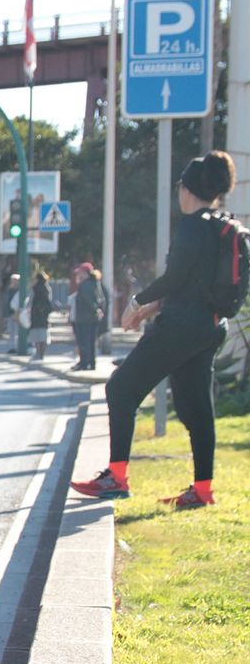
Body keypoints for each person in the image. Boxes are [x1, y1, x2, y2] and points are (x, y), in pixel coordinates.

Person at [73, 151, 236, 509]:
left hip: (179, 328)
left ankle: (116, 477)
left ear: (187, 189)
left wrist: (138, 301)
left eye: (180, 186)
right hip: (209, 328)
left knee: (120, 388)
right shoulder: (219, 224)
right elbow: (195, 285)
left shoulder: (193, 225)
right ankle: (203, 489)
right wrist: (154, 306)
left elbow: (176, 277)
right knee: (197, 410)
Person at [69, 262, 104, 371]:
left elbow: (87, 300)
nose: (78, 275)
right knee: (92, 341)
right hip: (94, 318)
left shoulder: (83, 285)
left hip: (83, 318)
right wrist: (99, 310)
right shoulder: (96, 283)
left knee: (83, 342)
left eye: (80, 273)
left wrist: (95, 308)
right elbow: (101, 299)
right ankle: (92, 364)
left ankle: (84, 364)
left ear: (85, 273)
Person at [28, 270, 52, 360]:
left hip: (35, 313)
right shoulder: (47, 288)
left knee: (36, 332)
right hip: (44, 313)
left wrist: (29, 310)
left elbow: (30, 300)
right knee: (44, 331)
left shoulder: (33, 288)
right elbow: (50, 300)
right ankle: (43, 353)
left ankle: (38, 352)